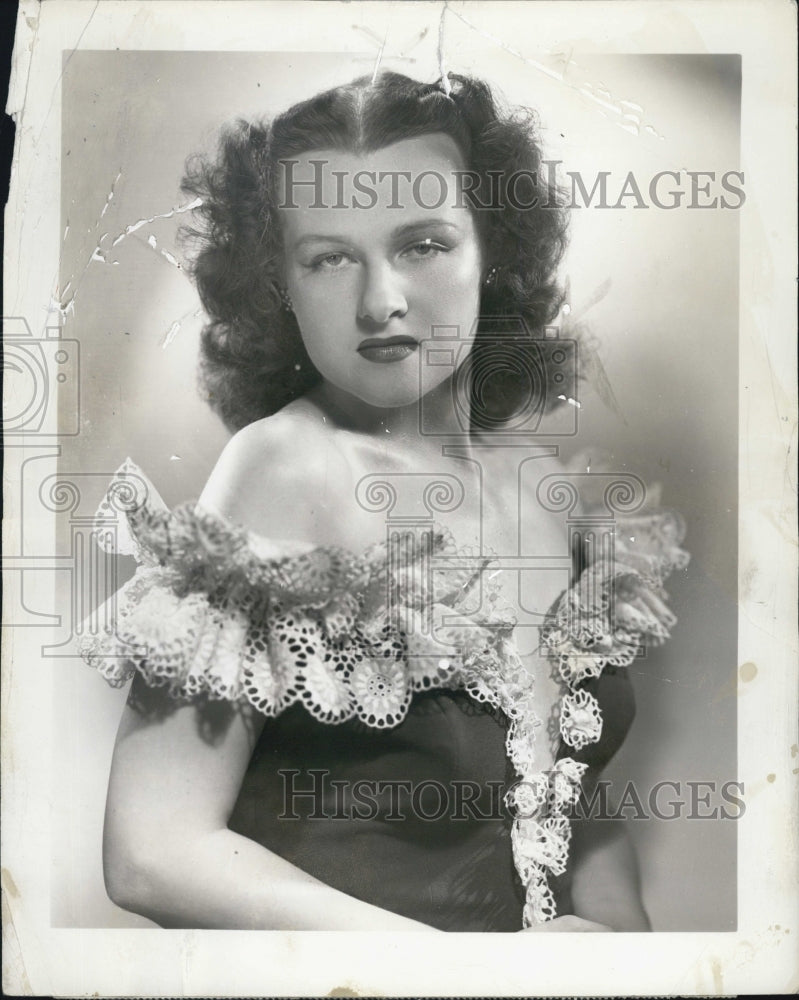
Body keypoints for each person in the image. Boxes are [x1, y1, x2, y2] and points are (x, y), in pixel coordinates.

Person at [79, 71, 687, 932]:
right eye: (328, 258)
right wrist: (481, 982)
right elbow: (152, 853)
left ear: (493, 251)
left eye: (423, 244)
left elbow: (569, 808)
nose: (380, 301)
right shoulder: (283, 468)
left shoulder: (540, 491)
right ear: (280, 285)